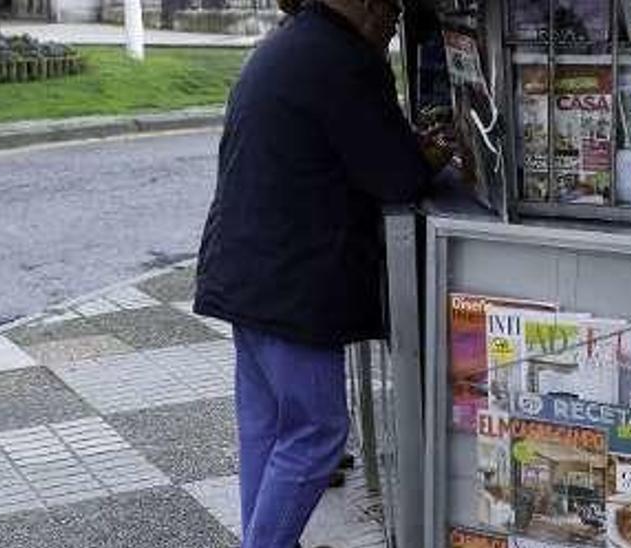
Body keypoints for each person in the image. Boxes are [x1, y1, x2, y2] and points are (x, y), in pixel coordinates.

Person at [193, 0, 443, 546]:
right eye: (387, 4)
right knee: (317, 432)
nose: (397, 14)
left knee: (266, 427)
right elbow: (398, 176)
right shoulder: (344, 60)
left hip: (244, 270)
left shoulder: (293, 43)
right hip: (290, 286)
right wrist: (433, 155)